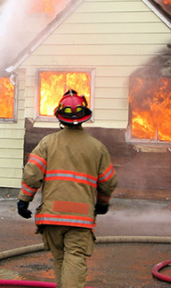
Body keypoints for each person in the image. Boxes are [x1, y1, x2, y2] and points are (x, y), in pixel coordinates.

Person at [16, 89, 118, 288]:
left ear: (60, 117)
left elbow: (32, 174)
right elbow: (107, 181)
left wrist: (24, 200)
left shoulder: (47, 143)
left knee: (60, 259)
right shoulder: (97, 147)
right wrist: (103, 203)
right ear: (84, 117)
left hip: (52, 215)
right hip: (80, 218)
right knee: (75, 257)